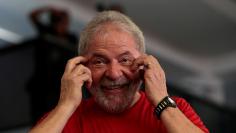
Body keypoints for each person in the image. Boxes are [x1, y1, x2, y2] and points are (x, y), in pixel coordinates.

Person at [29, 11, 209, 133]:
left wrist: (162, 101)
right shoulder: (64, 118)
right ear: (83, 67)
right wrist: (65, 105)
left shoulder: (176, 109)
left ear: (144, 63)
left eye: (125, 60)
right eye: (99, 61)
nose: (114, 74)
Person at [28, 6, 78, 123]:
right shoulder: (47, 31)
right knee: (40, 117)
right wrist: (49, 9)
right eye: (62, 20)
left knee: (59, 115)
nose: (65, 23)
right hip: (42, 83)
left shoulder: (71, 38)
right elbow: (32, 15)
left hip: (61, 84)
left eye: (66, 21)